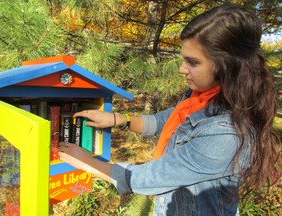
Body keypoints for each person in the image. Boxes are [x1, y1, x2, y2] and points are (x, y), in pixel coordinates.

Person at [58, 3, 281, 216]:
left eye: (193, 62)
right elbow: (162, 121)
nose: (182, 69)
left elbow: (146, 179)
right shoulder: (201, 98)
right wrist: (117, 119)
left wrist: (85, 160)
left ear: (227, 66)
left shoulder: (226, 134)